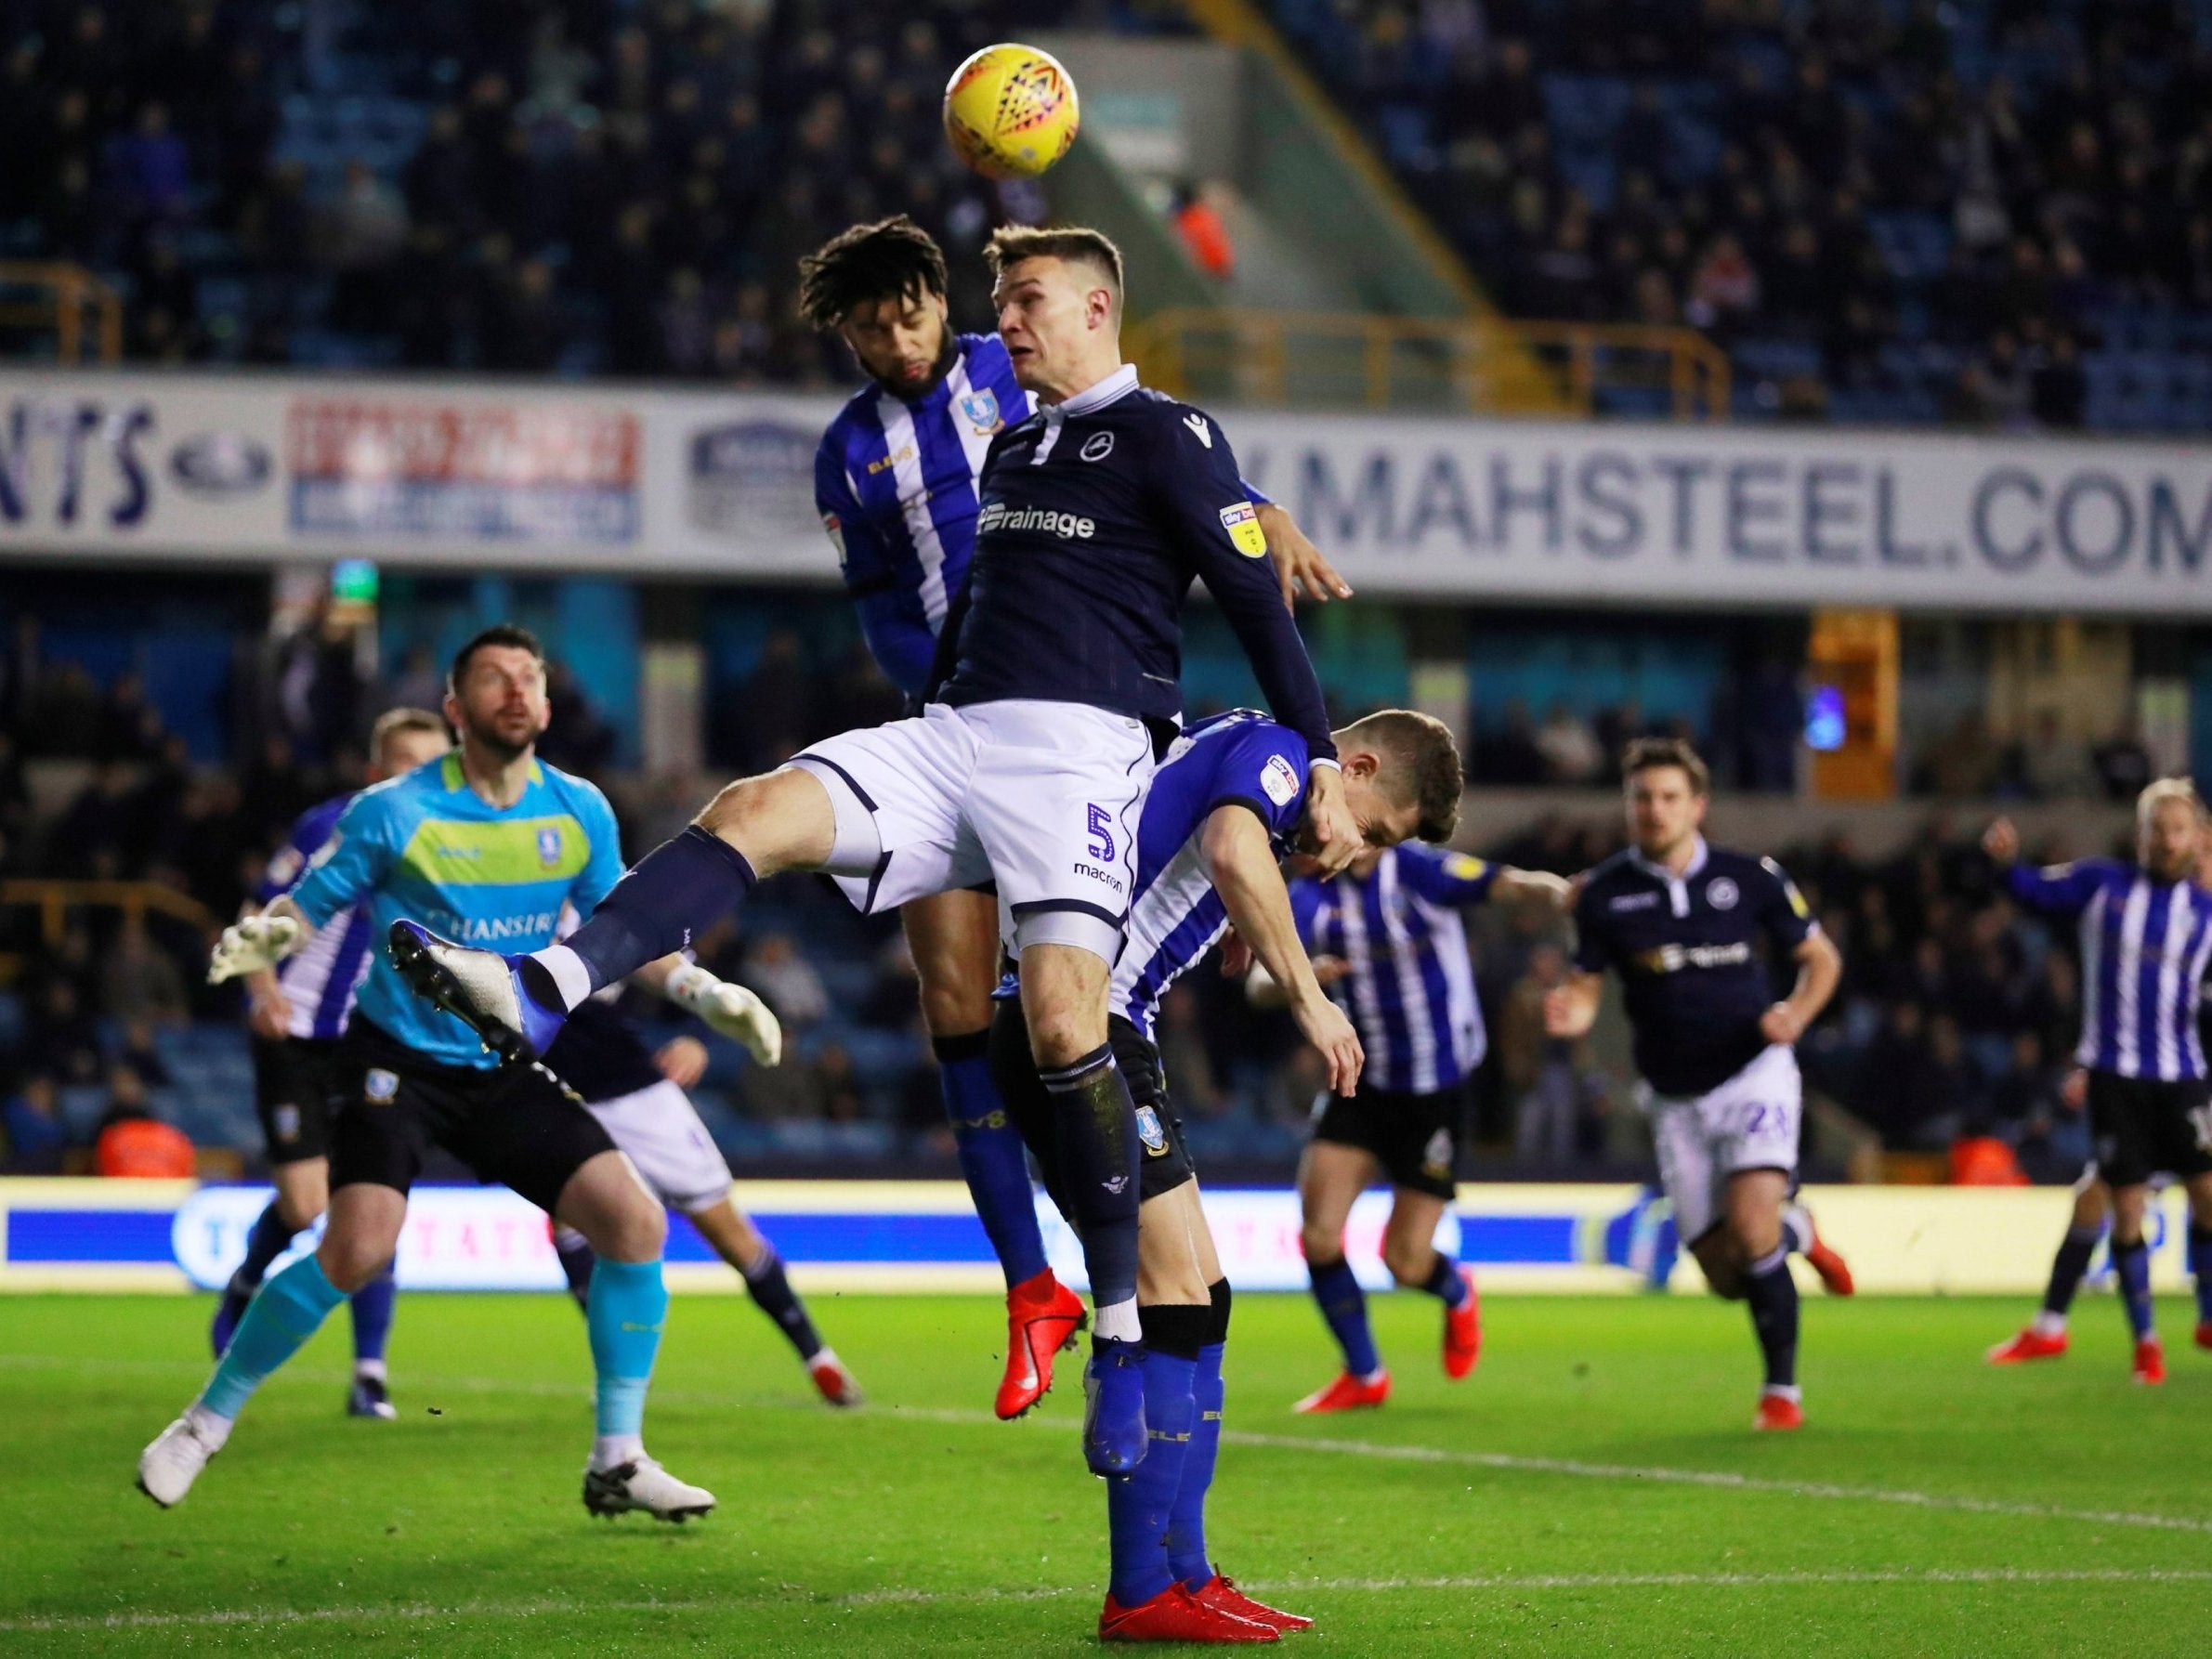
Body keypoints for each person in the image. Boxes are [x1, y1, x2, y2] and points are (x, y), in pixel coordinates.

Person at [395, 226, 1364, 1485]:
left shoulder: (1163, 433)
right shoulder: (1005, 444)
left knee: (1064, 1021)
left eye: (1020, 303)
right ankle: (537, 988)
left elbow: (1247, 599)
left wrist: (1323, 755)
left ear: (1091, 309)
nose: (998, 323)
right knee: (754, 806)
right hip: (956, 726)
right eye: (998, 303)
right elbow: (958, 608)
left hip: (1080, 752)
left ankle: (1115, 1331)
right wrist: (938, 703)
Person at [795, 214, 1350, 1421]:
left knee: (1068, 991)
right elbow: (885, 610)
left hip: (1081, 714)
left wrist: (1259, 514)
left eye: (910, 313)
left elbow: (1150, 454)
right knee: (956, 998)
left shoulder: (1019, 363)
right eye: (867, 324)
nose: (894, 337)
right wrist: (940, 686)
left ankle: (1131, 1230)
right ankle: (1028, 1289)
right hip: (954, 716)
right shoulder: (849, 453)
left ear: (945, 307)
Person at [137, 627, 764, 1519]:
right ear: (455, 709)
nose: (515, 691)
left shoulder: (579, 808)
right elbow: (308, 905)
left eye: (529, 678)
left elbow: (623, 928)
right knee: (354, 1247)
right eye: (492, 679)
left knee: (633, 1224)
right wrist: (266, 940)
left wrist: (701, 991)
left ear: (547, 705)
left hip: (504, 1064)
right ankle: (202, 1424)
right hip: (396, 1061)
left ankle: (617, 1461)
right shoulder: (394, 810)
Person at [992, 702, 1460, 1641]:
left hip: (1107, 1024)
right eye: (1368, 832)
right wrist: (1309, 997)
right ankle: (1138, 1591)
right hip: (1079, 1028)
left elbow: (1191, 832)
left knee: (1203, 1300)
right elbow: (1228, 838)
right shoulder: (1282, 752)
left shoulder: (1255, 753)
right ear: (1353, 766)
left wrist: (1233, 919)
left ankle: (1187, 1572)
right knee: (1171, 1300)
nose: (1351, 855)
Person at [1547, 738, 1850, 1431]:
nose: (1654, 809)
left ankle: (1781, 1394)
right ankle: (1797, 1231)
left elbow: (1820, 959)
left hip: (1753, 1074)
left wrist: (1794, 1015)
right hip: (1673, 1097)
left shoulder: (1752, 879)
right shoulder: (1602, 894)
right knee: (1720, 1274)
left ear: (1697, 806)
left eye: (1668, 797)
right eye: (1642, 798)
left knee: (1749, 1229)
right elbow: (1588, 987)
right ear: (1627, 807)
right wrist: (1572, 1013)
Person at [211, 706, 452, 1420]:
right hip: (292, 1033)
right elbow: (257, 911)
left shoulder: (454, 841)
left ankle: (369, 1373)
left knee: (373, 1200)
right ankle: (249, 1280)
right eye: (409, 765)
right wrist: (260, 988)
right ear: (377, 771)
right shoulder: (329, 825)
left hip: (369, 1043)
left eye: (436, 767)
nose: (426, 781)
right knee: (306, 1206)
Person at [1268, 842, 1570, 1413]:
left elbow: (1510, 881)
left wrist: (1564, 892)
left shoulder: (1418, 870)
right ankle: (1364, 1373)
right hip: (1361, 1081)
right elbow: (1262, 982)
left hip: (1437, 1091)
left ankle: (1456, 1291)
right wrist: (1300, 978)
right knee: (1318, 1235)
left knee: (1403, 1261)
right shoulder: (1310, 895)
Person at [1979, 782, 2212, 1384]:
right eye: (2157, 829)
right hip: (2119, 1076)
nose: (2169, 841)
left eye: (2181, 831)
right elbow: (2033, 892)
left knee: (2156, 1192)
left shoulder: (2202, 916)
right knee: (2115, 1198)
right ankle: (2134, 1342)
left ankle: (2055, 1324)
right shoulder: (2105, 887)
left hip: (2183, 1078)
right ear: (2140, 835)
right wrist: (2003, 863)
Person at [540, 996, 862, 1408]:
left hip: (637, 1095)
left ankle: (818, 1357)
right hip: (561, 1098)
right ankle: (623, 1369)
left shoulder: (589, 929)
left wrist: (696, 1036)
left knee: (729, 1237)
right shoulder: (493, 937)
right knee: (565, 1223)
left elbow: (679, 969)